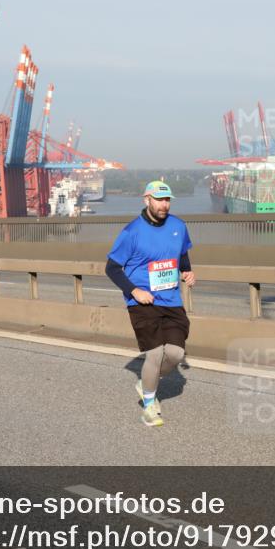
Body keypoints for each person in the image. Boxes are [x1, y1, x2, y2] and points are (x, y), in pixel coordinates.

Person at [105, 181, 195, 427]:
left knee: (175, 354)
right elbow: (112, 268)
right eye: (159, 200)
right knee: (155, 353)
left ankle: (145, 383)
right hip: (142, 301)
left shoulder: (178, 226)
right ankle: (149, 406)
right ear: (147, 200)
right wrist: (134, 291)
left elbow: (182, 254)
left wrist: (187, 271)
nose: (164, 205)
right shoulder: (132, 232)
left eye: (167, 200)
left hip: (171, 299)